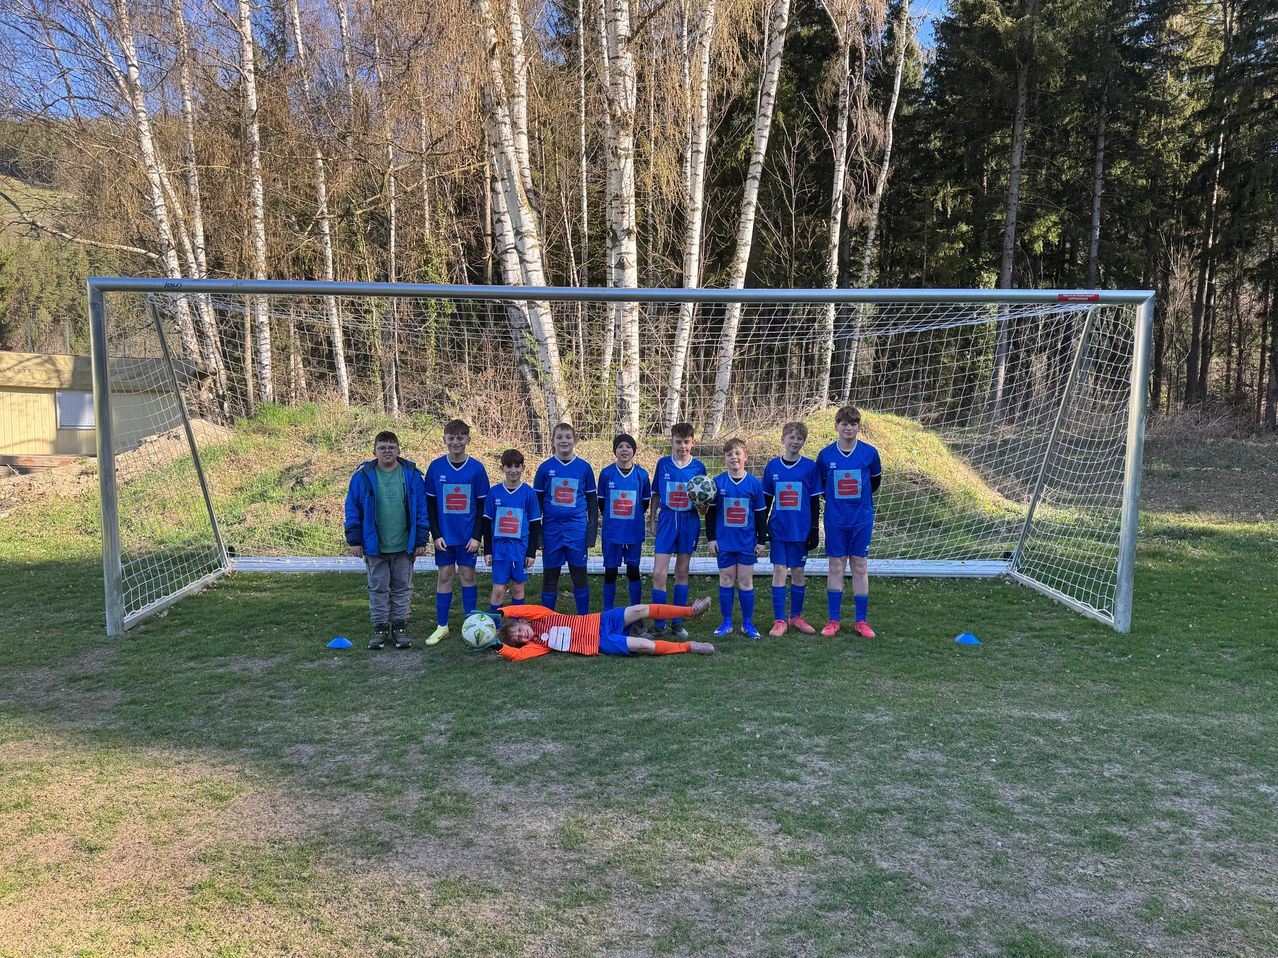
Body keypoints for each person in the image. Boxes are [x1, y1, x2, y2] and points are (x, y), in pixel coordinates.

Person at [343, 431, 430, 650]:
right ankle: (380, 628)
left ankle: (400, 627)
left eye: (391, 447)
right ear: (374, 451)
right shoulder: (362, 476)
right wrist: (355, 540)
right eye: (382, 447)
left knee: (402, 588)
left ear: (399, 450)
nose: (387, 451)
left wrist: (421, 539)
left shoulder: (411, 475)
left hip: (404, 544)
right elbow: (352, 509)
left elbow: (421, 509)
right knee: (378, 588)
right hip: (375, 545)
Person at [816, 406, 883, 637]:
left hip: (861, 519)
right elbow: (824, 487)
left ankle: (861, 621)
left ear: (858, 427)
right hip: (836, 520)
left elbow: (874, 482)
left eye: (853, 424)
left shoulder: (869, 453)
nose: (849, 428)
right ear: (836, 426)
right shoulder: (825, 455)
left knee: (860, 566)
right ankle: (833, 620)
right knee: (835, 567)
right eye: (844, 424)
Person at [422, 419, 489, 646]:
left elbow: (482, 507)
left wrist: (476, 536)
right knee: (445, 576)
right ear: (445, 440)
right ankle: (442, 626)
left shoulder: (477, 469)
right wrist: (436, 534)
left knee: (468, 575)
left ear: (468, 440)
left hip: (468, 537)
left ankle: (471, 624)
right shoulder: (436, 467)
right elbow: (430, 504)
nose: (456, 442)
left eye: (460, 438)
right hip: (445, 536)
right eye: (451, 438)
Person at [491, 597, 716, 660]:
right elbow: (518, 655)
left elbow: (528, 607)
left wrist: (502, 612)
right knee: (642, 645)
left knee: (639, 609)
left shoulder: (542, 616)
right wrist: (500, 647)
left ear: (524, 622)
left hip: (600, 621)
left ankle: (690, 611)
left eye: (519, 630)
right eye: (519, 638)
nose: (523, 635)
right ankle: (688, 647)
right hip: (599, 643)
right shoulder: (539, 646)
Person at [647, 421, 707, 639]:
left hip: (688, 521)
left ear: (693, 442)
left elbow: (703, 503)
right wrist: (652, 520)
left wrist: (703, 505)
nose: (683, 446)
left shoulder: (699, 467)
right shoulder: (663, 464)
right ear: (671, 442)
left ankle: (678, 623)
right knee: (658, 574)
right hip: (667, 519)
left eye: (687, 442)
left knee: (682, 572)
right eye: (678, 442)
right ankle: (659, 624)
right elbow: (655, 494)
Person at [705, 438, 769, 638]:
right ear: (724, 458)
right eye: (729, 454)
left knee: (745, 580)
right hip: (724, 542)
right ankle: (726, 623)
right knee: (726, 579)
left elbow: (760, 514)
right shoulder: (717, 482)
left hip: (746, 542)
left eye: (738, 453)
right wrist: (711, 538)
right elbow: (711, 514)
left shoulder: (753, 484)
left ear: (745, 457)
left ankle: (747, 624)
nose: (734, 457)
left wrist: (761, 540)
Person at [762, 422, 821, 636]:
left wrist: (814, 529)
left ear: (803, 442)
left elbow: (815, 501)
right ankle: (779, 620)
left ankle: (795, 616)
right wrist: (762, 529)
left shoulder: (810, 467)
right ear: (783, 440)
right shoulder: (772, 467)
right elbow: (766, 500)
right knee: (779, 571)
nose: (795, 441)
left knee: (798, 572)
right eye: (791, 437)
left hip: (801, 530)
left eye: (799, 438)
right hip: (779, 529)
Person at [534, 423, 597, 613]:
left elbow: (593, 504)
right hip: (552, 531)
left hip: (576, 531)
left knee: (579, 574)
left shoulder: (584, 468)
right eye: (559, 437)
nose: (564, 441)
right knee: (550, 576)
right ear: (552, 441)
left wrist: (591, 534)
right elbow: (536, 506)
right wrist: (538, 536)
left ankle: (583, 619)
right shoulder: (545, 469)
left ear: (575, 440)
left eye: (568, 437)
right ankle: (547, 619)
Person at [596, 433, 652, 611]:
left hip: (633, 532)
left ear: (633, 451)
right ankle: (608, 613)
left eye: (628, 446)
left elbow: (644, 503)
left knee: (633, 571)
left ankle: (635, 614)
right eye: (620, 446)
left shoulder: (642, 475)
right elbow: (602, 502)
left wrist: (632, 517)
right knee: (610, 572)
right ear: (615, 451)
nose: (624, 450)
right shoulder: (606, 474)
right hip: (612, 533)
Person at [483, 448, 542, 612]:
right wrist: (487, 550)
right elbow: (486, 523)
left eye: (517, 466)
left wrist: (531, 552)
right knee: (499, 590)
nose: (513, 470)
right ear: (502, 468)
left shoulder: (529, 493)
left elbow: (535, 524)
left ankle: (516, 626)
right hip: (500, 549)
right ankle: (494, 628)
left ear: (523, 468)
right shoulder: (494, 493)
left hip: (520, 549)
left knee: (518, 588)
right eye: (509, 466)